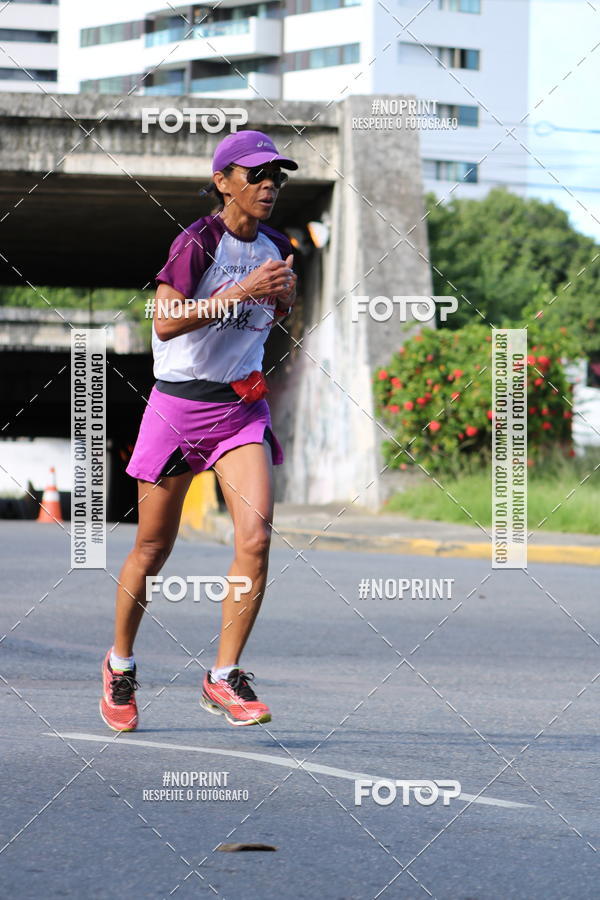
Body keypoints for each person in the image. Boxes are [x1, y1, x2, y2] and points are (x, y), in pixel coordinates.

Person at [99, 130, 298, 732]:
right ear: (223, 182)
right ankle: (120, 664)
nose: (269, 185)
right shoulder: (197, 242)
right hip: (177, 410)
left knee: (257, 539)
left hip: (240, 411)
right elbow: (163, 324)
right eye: (257, 175)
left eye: (277, 177)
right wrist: (241, 290)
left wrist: (283, 300)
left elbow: (276, 314)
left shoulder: (279, 244)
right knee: (153, 549)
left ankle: (223, 675)